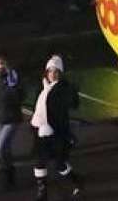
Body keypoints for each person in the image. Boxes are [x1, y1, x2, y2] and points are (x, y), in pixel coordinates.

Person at [31, 55, 83, 200]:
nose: (52, 74)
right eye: (50, 71)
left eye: (55, 71)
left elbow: (73, 103)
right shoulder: (43, 87)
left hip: (56, 132)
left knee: (59, 163)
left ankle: (76, 183)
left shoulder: (62, 89)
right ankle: (42, 192)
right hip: (40, 130)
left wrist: (73, 91)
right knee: (39, 161)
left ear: (60, 73)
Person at [0, 52, 23, 190]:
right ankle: (9, 179)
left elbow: (19, 96)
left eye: (0, 63)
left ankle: (9, 172)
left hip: (11, 119)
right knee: (6, 150)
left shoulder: (11, 78)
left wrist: (13, 88)